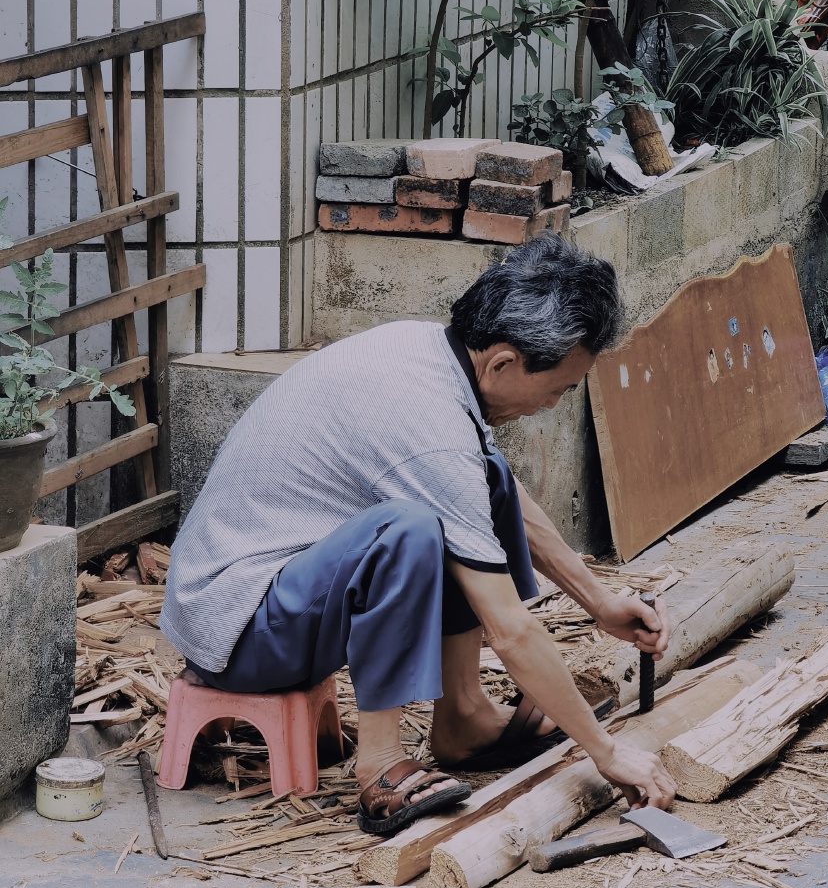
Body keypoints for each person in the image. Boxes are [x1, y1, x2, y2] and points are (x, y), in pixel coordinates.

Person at [162, 234, 677, 834]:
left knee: (482, 480)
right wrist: (607, 753)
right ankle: (380, 766)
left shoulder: (430, 352)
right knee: (407, 530)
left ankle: (462, 715)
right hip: (237, 628)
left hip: (277, 593)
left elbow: (488, 496)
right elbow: (510, 630)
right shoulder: (429, 426)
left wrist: (600, 603)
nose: (554, 405)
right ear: (505, 361)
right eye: (559, 388)